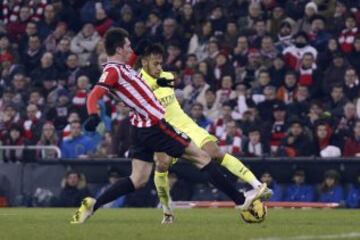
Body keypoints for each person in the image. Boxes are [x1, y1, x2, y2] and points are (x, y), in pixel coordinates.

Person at [71, 28, 266, 224]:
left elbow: (129, 79)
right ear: (120, 48)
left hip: (140, 128)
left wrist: (138, 53)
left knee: (138, 179)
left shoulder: (122, 67)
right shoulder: (112, 70)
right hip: (155, 126)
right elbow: (94, 94)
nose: (131, 48)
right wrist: (93, 115)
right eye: (128, 46)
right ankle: (241, 201)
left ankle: (93, 205)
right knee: (203, 157)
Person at [137, 43, 271, 223]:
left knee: (214, 152)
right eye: (156, 63)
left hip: (186, 124)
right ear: (145, 62)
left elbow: (170, 90)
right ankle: (167, 209)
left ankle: (257, 185)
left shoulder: (167, 76)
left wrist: (170, 89)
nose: (160, 67)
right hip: (163, 131)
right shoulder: (137, 83)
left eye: (161, 63)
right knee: (162, 165)